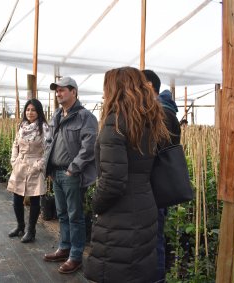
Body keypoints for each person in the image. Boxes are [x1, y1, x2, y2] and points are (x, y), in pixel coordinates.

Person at [84, 67, 170, 282]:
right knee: (137, 270)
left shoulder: (116, 123)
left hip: (120, 216)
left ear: (116, 88)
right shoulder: (149, 121)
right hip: (145, 206)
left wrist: (96, 204)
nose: (104, 93)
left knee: (117, 271)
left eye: (107, 87)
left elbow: (113, 181)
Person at [43, 77, 98, 274]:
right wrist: (48, 167)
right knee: (62, 214)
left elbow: (89, 146)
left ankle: (75, 256)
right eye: (56, 91)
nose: (58, 93)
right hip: (56, 173)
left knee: (75, 216)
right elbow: (49, 142)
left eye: (62, 90)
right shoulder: (57, 115)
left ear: (73, 91)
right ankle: (64, 247)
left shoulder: (85, 117)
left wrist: (73, 169)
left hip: (71, 173)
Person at [143, 69, 181, 282]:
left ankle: (157, 279)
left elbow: (154, 151)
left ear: (150, 87)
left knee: (154, 239)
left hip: (156, 187)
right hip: (151, 186)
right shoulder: (156, 112)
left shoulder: (163, 114)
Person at [7, 99, 49, 243]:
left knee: (35, 198)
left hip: (35, 165)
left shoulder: (44, 128)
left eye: (33, 110)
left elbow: (48, 150)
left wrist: (39, 165)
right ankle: (20, 226)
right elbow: (15, 144)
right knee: (17, 197)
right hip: (20, 163)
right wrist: (14, 160)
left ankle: (31, 230)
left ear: (39, 112)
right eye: (28, 110)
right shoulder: (22, 127)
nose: (30, 113)